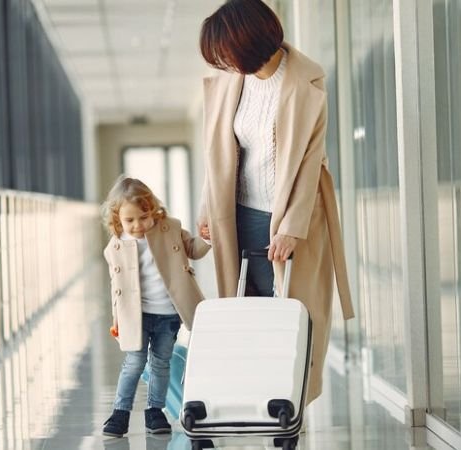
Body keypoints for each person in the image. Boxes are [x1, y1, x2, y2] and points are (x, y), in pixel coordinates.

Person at [196, 0, 355, 405]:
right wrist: (207, 208)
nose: (223, 62)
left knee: (288, 314)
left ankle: (286, 404)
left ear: (249, 42)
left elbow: (309, 161)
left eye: (226, 52)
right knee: (245, 313)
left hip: (286, 215)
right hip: (239, 214)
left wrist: (291, 227)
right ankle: (253, 397)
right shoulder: (231, 83)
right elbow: (218, 153)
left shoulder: (307, 82)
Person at [101, 176, 211, 437]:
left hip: (169, 313)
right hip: (136, 316)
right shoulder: (116, 246)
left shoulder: (170, 229)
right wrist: (117, 320)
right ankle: (120, 413)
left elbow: (193, 249)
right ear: (118, 220)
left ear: (153, 210)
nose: (138, 225)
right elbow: (116, 288)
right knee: (134, 363)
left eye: (143, 216)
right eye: (130, 220)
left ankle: (155, 411)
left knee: (161, 363)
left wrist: (209, 239)